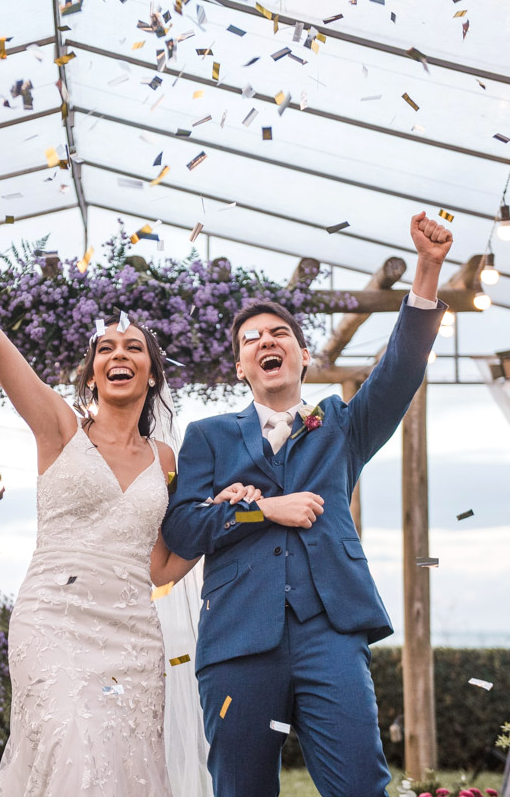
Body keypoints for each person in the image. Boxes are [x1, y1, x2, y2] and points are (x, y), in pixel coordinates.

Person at [0, 190, 248, 796]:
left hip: (132, 633)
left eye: (133, 347)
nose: (118, 354)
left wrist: (224, 518)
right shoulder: (58, 428)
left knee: (124, 768)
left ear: (150, 373)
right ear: (91, 373)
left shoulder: (166, 459)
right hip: (53, 622)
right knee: (74, 748)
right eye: (105, 348)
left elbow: (159, 566)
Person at [162, 213, 451, 796]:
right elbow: (183, 529)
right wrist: (260, 508)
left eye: (279, 335)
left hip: (331, 631)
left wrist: (427, 268)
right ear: (241, 367)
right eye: (251, 340)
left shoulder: (341, 424)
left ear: (300, 353)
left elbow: (399, 371)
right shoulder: (208, 436)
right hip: (238, 637)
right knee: (241, 789)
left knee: (360, 786)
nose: (266, 341)